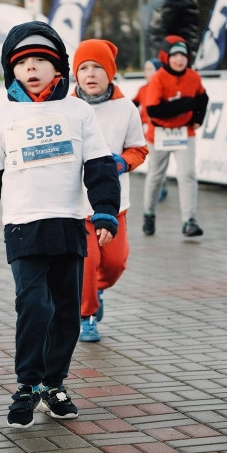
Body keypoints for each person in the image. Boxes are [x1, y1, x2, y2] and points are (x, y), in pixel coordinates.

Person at [0, 22, 120, 428]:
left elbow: (100, 165)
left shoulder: (78, 111)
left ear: (59, 69)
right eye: (23, 63)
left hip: (69, 224)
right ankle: (26, 386)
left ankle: (53, 386)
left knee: (66, 312)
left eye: (40, 60)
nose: (31, 68)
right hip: (23, 228)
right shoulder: (3, 118)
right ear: (11, 71)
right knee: (34, 306)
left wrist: (105, 210)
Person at [70, 39, 148, 343]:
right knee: (86, 263)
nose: (90, 74)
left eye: (98, 67)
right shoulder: (65, 107)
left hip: (115, 203)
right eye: (84, 68)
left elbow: (139, 149)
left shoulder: (125, 107)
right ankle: (86, 315)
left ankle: (96, 291)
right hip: (77, 205)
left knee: (115, 263)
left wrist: (122, 163)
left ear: (110, 72)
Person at [138, 36, 209, 238]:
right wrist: (185, 104)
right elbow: (154, 111)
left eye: (183, 56)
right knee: (156, 176)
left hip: (184, 132)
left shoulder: (193, 77)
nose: (179, 60)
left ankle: (189, 221)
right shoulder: (158, 78)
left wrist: (198, 118)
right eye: (175, 56)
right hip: (159, 133)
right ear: (167, 58)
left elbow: (202, 98)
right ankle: (149, 214)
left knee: (187, 174)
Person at [133, 58, 168, 203]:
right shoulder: (143, 89)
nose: (146, 72)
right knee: (154, 163)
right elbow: (133, 104)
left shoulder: (163, 88)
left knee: (156, 163)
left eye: (150, 69)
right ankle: (161, 186)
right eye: (146, 69)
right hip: (147, 131)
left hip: (160, 131)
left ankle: (160, 187)